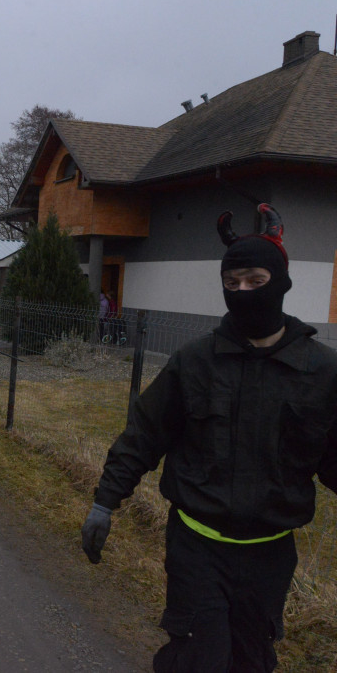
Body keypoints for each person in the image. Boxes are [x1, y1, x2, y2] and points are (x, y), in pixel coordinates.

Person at [81, 204, 337, 672]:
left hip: (270, 553)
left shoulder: (321, 371)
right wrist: (105, 502)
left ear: (280, 282)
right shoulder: (195, 362)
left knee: (250, 660)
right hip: (197, 545)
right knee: (199, 657)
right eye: (232, 283)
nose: (242, 292)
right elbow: (144, 434)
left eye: (255, 282)